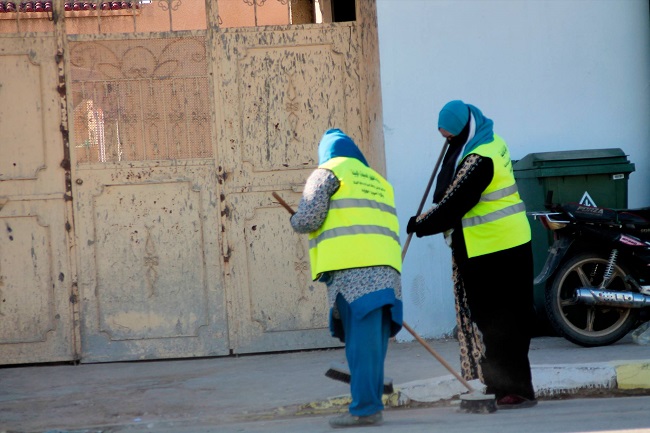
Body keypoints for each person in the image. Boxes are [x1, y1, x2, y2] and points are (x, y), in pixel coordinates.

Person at [406, 100, 537, 409]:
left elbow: (453, 204)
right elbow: (449, 192)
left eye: (451, 136)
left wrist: (419, 224)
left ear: (464, 130)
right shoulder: (489, 141)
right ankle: (507, 386)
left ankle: (511, 389)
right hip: (509, 243)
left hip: (491, 250)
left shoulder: (479, 159)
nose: (448, 143)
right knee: (507, 319)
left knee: (496, 321)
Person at [290, 128, 403, 428]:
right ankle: (370, 405)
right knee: (374, 347)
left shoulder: (327, 172)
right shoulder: (378, 180)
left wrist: (295, 219)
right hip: (387, 273)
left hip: (354, 275)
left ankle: (365, 410)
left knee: (360, 347)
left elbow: (308, 218)